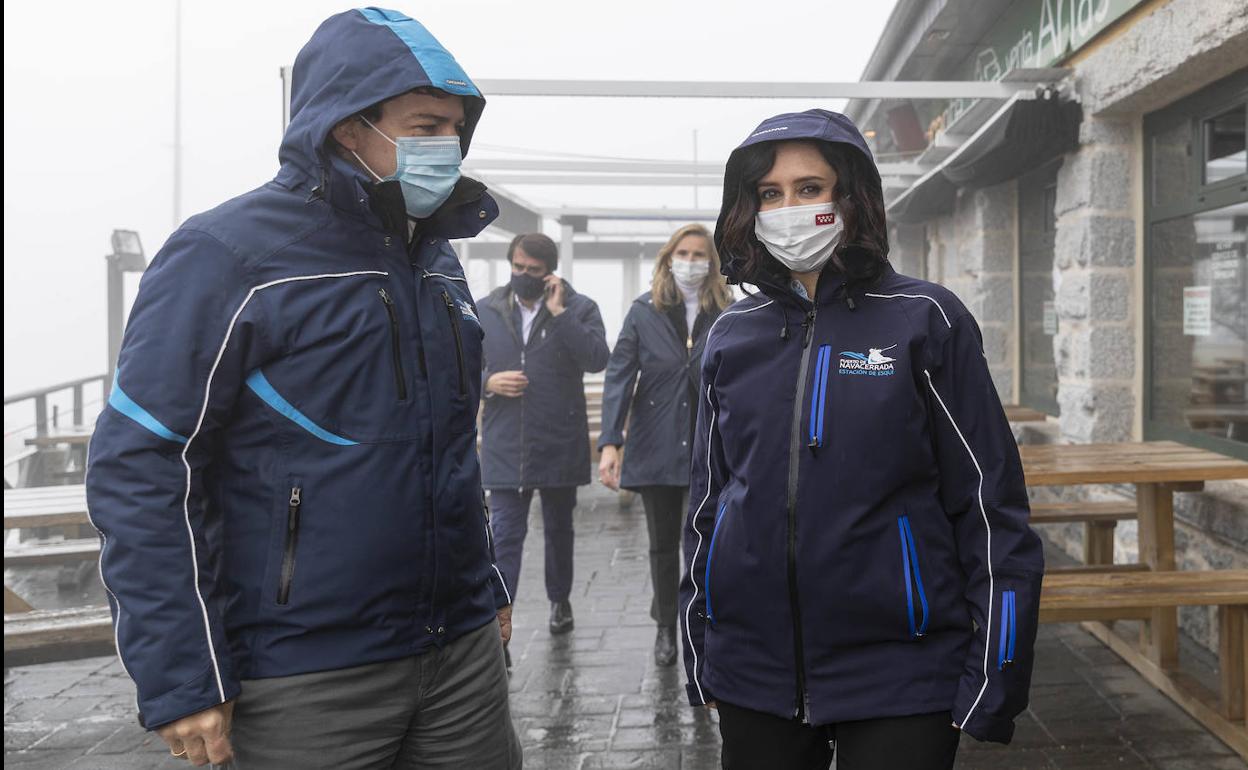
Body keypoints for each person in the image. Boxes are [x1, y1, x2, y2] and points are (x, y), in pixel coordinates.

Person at [84, 9, 521, 768]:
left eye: (455, 128)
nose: (445, 148)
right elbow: (143, 462)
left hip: (460, 657)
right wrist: (184, 672)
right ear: (349, 127)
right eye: (424, 125)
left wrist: (483, 580)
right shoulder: (224, 254)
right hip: (304, 674)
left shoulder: (438, 260)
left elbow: (448, 442)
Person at [679, 109, 1045, 770]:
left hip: (901, 671)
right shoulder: (731, 335)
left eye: (810, 187)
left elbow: (991, 508)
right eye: (770, 193)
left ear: (851, 196)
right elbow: (707, 505)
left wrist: (995, 678)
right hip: (755, 670)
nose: (788, 207)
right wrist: (700, 648)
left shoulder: (925, 320)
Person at [597, 224, 733, 666]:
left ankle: (703, 622)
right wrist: (611, 442)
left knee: (705, 540)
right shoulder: (643, 311)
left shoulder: (726, 312)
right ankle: (664, 628)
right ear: (668, 258)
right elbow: (619, 376)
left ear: (712, 264)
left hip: (709, 449)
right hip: (655, 444)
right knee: (661, 544)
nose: (691, 262)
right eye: (684, 253)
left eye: (700, 255)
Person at [478, 233, 610, 643]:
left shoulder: (580, 307)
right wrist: (488, 382)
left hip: (559, 444)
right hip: (506, 448)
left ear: (549, 271)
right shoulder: (485, 310)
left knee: (559, 530)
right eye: (517, 267)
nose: (523, 275)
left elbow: (596, 359)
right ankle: (502, 617)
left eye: (533, 270)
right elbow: (456, 367)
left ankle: (560, 601)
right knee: (505, 538)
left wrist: (560, 313)